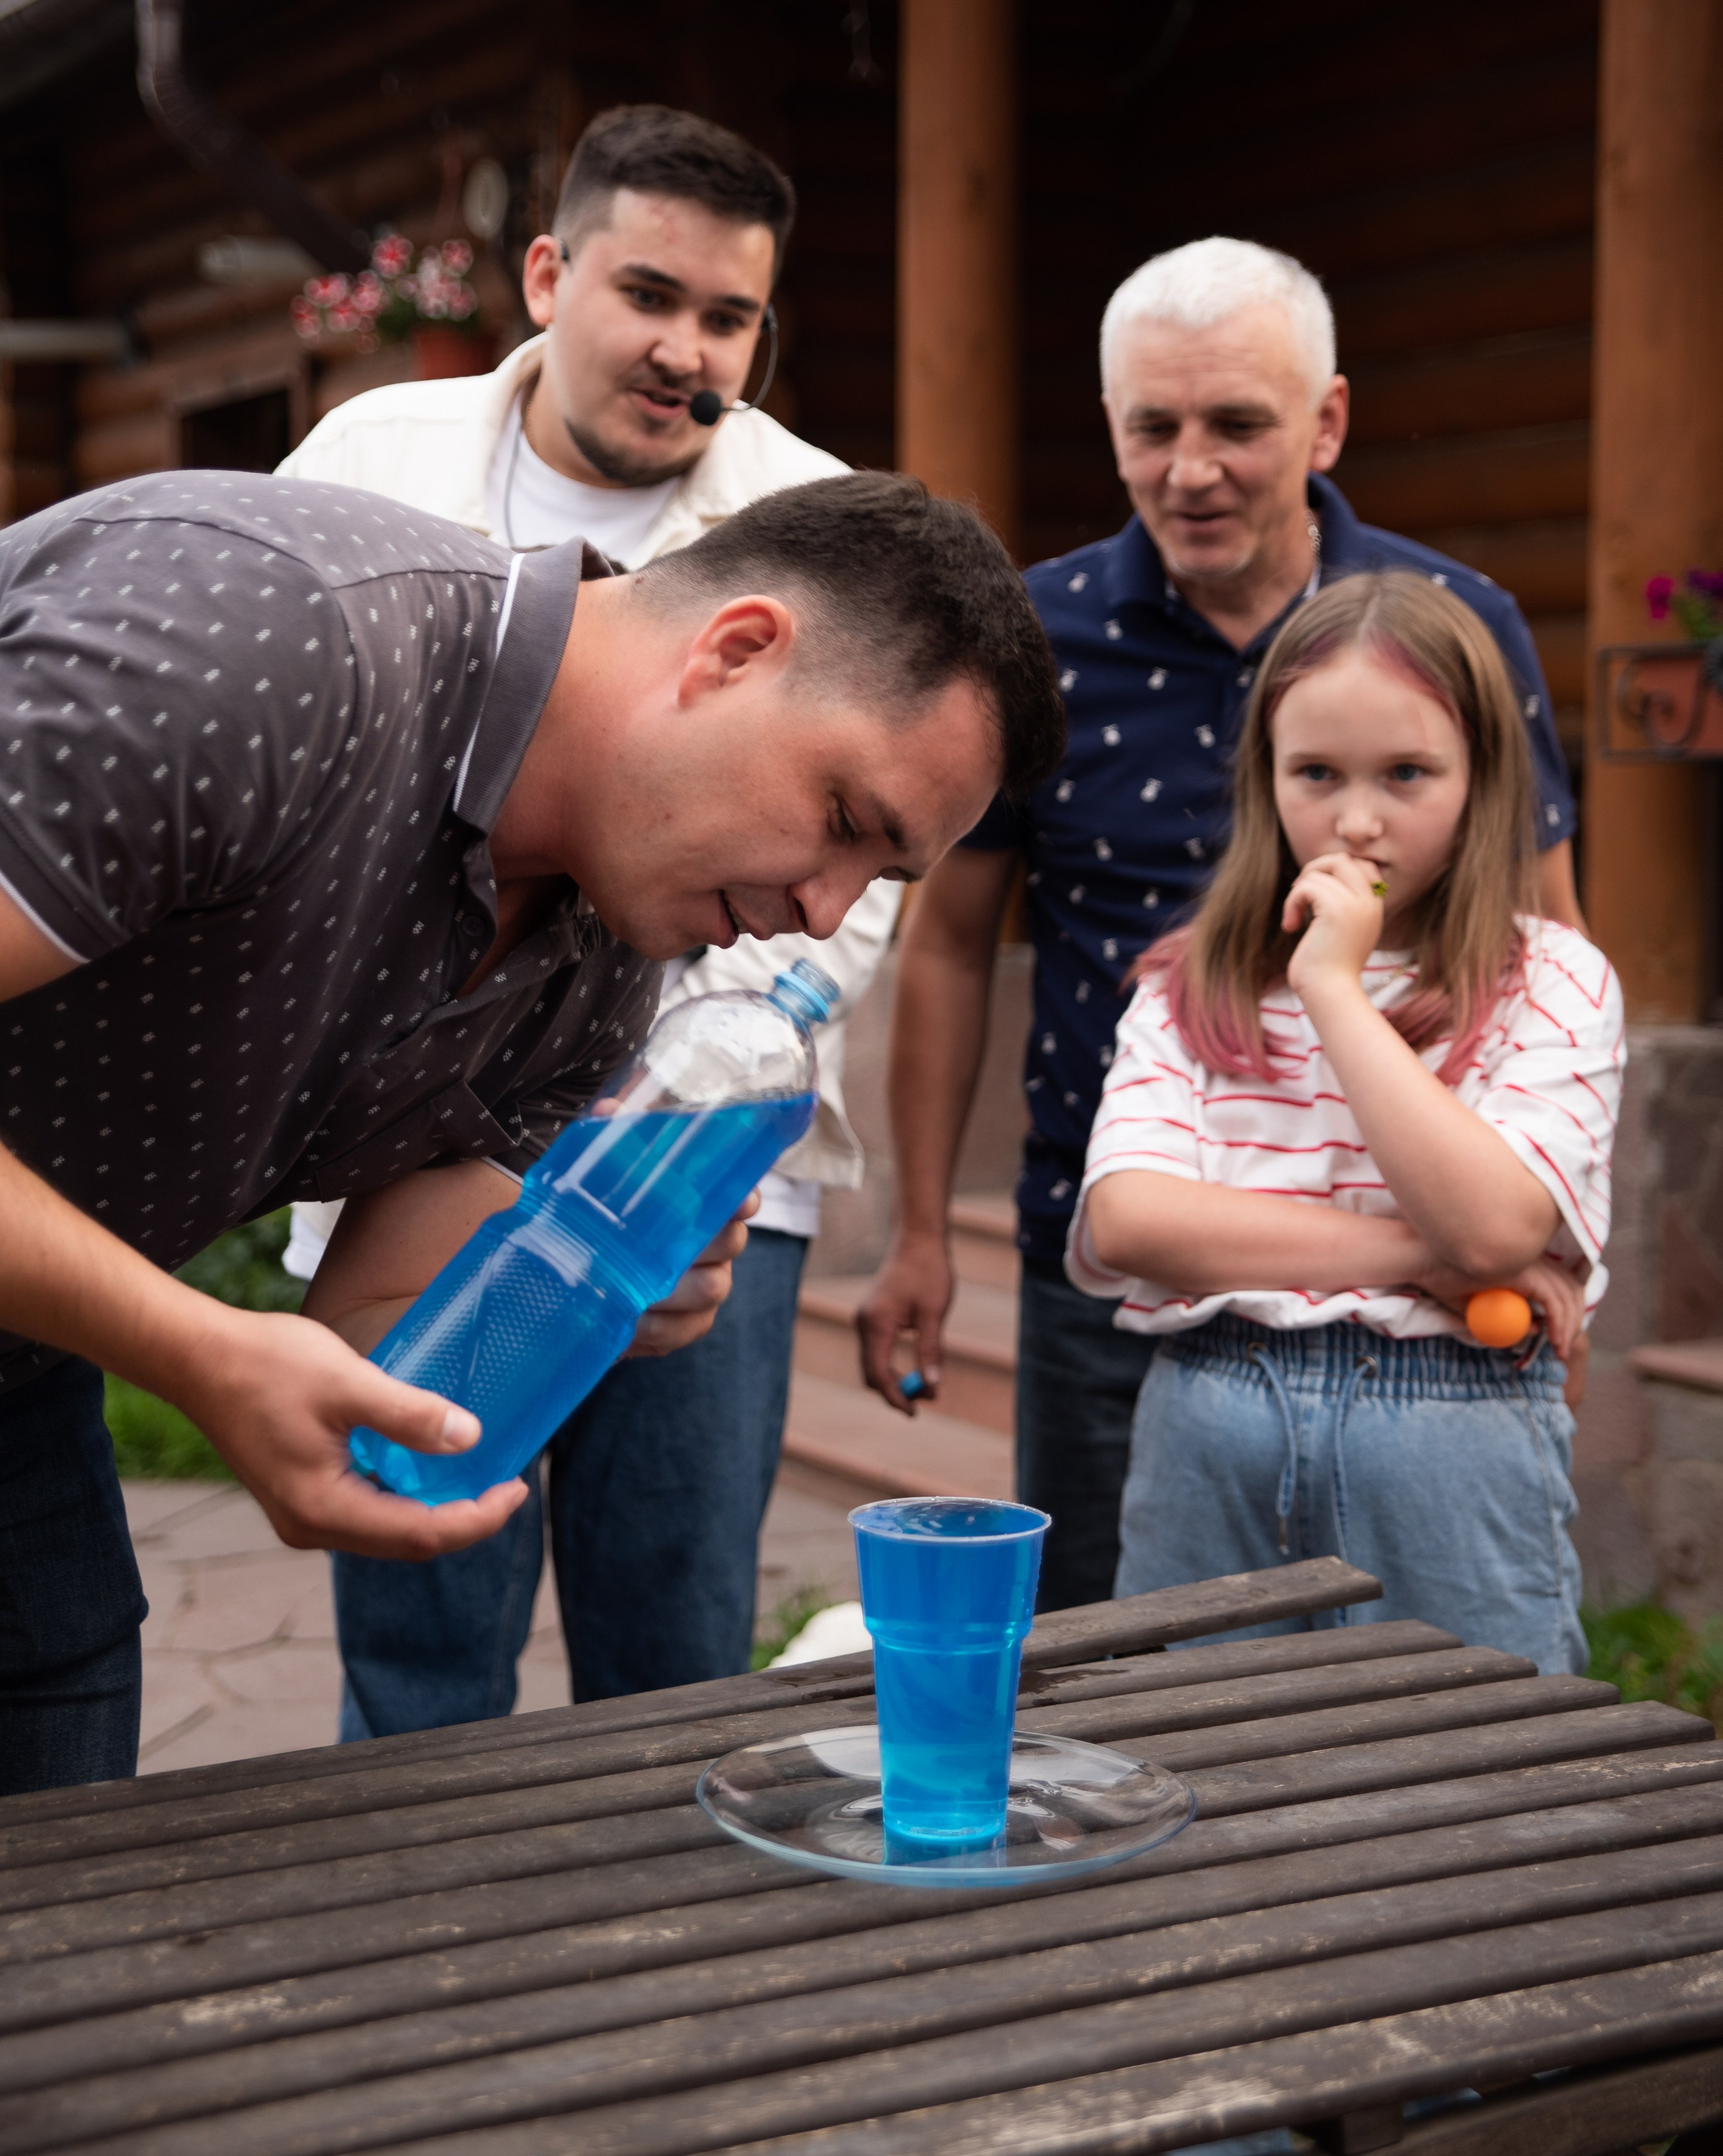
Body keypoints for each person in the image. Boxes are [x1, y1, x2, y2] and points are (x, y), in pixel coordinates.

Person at [0, 467, 1063, 1793]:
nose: (824, 909)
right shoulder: (277, 640)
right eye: (845, 821)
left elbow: (370, 1347)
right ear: (734, 650)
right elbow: (241, 1354)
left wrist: (586, 1270)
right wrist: (198, 1347)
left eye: (878, 878)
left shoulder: (609, 956)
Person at [277, 104, 901, 1723]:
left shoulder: (826, 524)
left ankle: (656, 1966)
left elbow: (850, 889)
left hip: (694, 1175)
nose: (686, 349)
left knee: (674, 1626)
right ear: (549, 274)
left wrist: (669, 1091)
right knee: (417, 1606)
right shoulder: (366, 459)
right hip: (406, 1134)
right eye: (648, 295)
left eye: (730, 318)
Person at [859, 237, 1584, 1612]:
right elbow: (947, 943)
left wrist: (1556, 1230)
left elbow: (1542, 931)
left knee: (1423, 1671)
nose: (1188, 468)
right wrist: (914, 1231)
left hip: (1418, 1275)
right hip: (1121, 1249)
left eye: (1236, 425)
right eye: (1152, 427)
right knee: (1109, 1657)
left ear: (1325, 421)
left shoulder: (1457, 627)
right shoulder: (1034, 634)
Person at [1066, 569, 1623, 1676]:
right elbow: (1129, 1219)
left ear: (1482, 780)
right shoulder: (1189, 980)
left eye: (1408, 774)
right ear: (1264, 777)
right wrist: (1430, 1262)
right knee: (1198, 1757)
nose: (1357, 820)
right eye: (1315, 774)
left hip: (1452, 1434)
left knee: (1483, 1777)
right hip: (1210, 1416)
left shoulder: (1555, 980)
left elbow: (1497, 1222)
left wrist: (1331, 983)